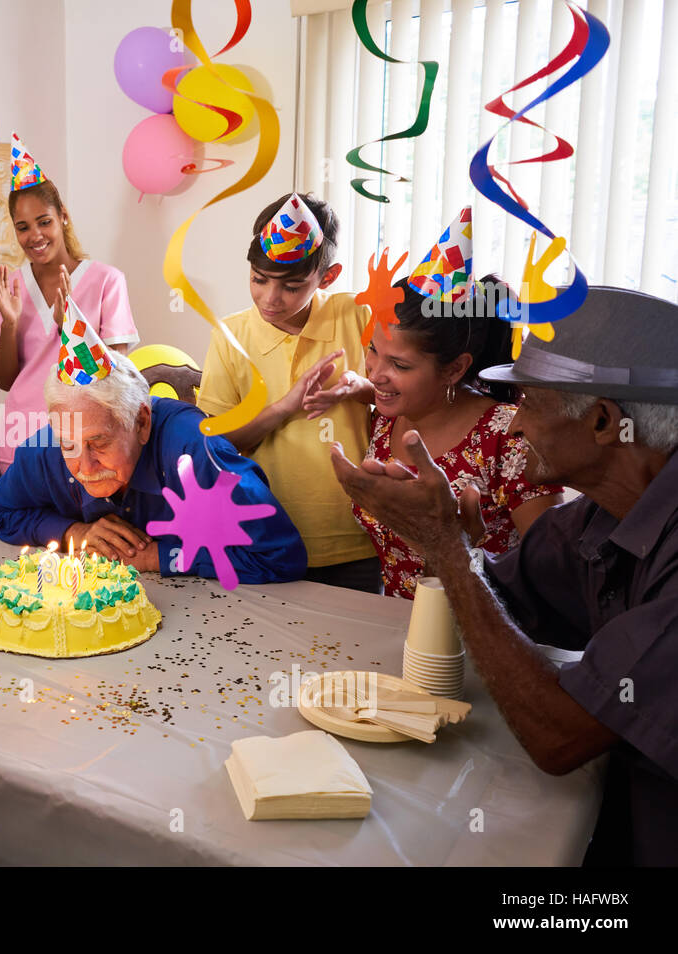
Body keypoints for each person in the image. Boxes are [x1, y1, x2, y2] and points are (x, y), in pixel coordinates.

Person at [331, 286, 678, 866]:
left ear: (602, 423)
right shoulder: (597, 515)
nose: (514, 424)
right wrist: (456, 547)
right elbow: (507, 596)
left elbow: (559, 736)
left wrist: (448, 551)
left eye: (529, 403)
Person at [0, 336, 305, 583]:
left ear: (142, 423)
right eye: (68, 444)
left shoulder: (194, 451)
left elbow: (280, 554)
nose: (84, 467)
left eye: (98, 442)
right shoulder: (43, 450)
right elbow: (3, 512)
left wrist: (161, 556)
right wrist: (73, 532)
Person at [197, 192, 380, 592]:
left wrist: (359, 388)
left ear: (327, 278)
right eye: (258, 280)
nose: (270, 299)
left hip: (355, 536)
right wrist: (283, 407)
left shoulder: (358, 315)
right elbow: (214, 444)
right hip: (265, 536)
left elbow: (402, 404)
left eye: (292, 287)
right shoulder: (231, 336)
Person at [354, 276, 562, 597]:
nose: (375, 373)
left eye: (399, 364)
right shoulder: (385, 418)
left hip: (484, 633)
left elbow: (553, 573)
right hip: (396, 626)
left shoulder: (506, 436)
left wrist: (459, 543)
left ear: (455, 368)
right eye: (373, 350)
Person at [0, 133, 139, 473]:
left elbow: (117, 375)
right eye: (22, 227)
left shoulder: (107, 281)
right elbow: (5, 380)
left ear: (62, 216)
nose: (34, 236)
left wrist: (71, 327)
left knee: (81, 527)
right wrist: (9, 324)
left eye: (44, 221)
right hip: (20, 440)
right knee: (23, 525)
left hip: (84, 441)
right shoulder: (11, 286)